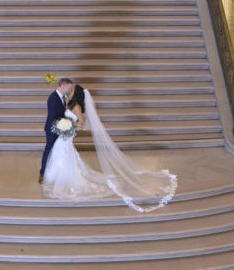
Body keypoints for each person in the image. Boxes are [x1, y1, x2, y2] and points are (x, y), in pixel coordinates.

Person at [42, 84, 177, 212]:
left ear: (75, 94)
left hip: (68, 134)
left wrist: (70, 129)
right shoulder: (70, 103)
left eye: (72, 90)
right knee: (61, 152)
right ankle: (55, 176)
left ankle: (64, 178)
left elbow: (81, 122)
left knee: (65, 153)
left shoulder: (76, 106)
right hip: (64, 134)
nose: (70, 91)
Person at [39, 77, 73, 184]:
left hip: (58, 128)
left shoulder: (61, 97)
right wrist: (63, 125)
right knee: (49, 150)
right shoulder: (53, 98)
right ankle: (42, 173)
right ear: (63, 86)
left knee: (55, 152)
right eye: (69, 88)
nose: (69, 90)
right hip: (52, 129)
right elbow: (53, 117)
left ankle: (54, 172)